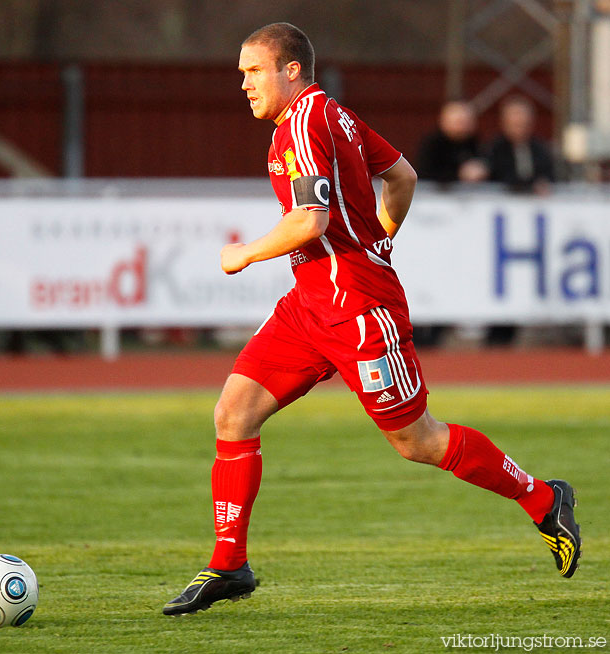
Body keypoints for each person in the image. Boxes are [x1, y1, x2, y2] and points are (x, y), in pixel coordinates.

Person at [162, 23, 581, 617]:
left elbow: (309, 221)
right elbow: (402, 177)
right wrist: (381, 234)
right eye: (241, 75)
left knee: (419, 441)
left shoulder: (307, 122)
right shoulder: (334, 117)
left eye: (253, 72)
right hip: (310, 304)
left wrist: (243, 253)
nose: (244, 85)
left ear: (290, 70)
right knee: (234, 410)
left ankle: (543, 498)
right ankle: (229, 564)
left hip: (358, 309)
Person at [486, 95, 556, 193]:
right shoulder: (494, 148)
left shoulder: (540, 148)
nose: (520, 127)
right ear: (504, 123)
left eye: (524, 124)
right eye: (515, 124)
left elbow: (548, 175)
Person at [417, 100, 488, 185]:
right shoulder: (432, 145)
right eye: (459, 122)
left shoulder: (477, 144)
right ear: (444, 121)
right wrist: (460, 175)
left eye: (466, 121)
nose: (462, 127)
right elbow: (426, 174)